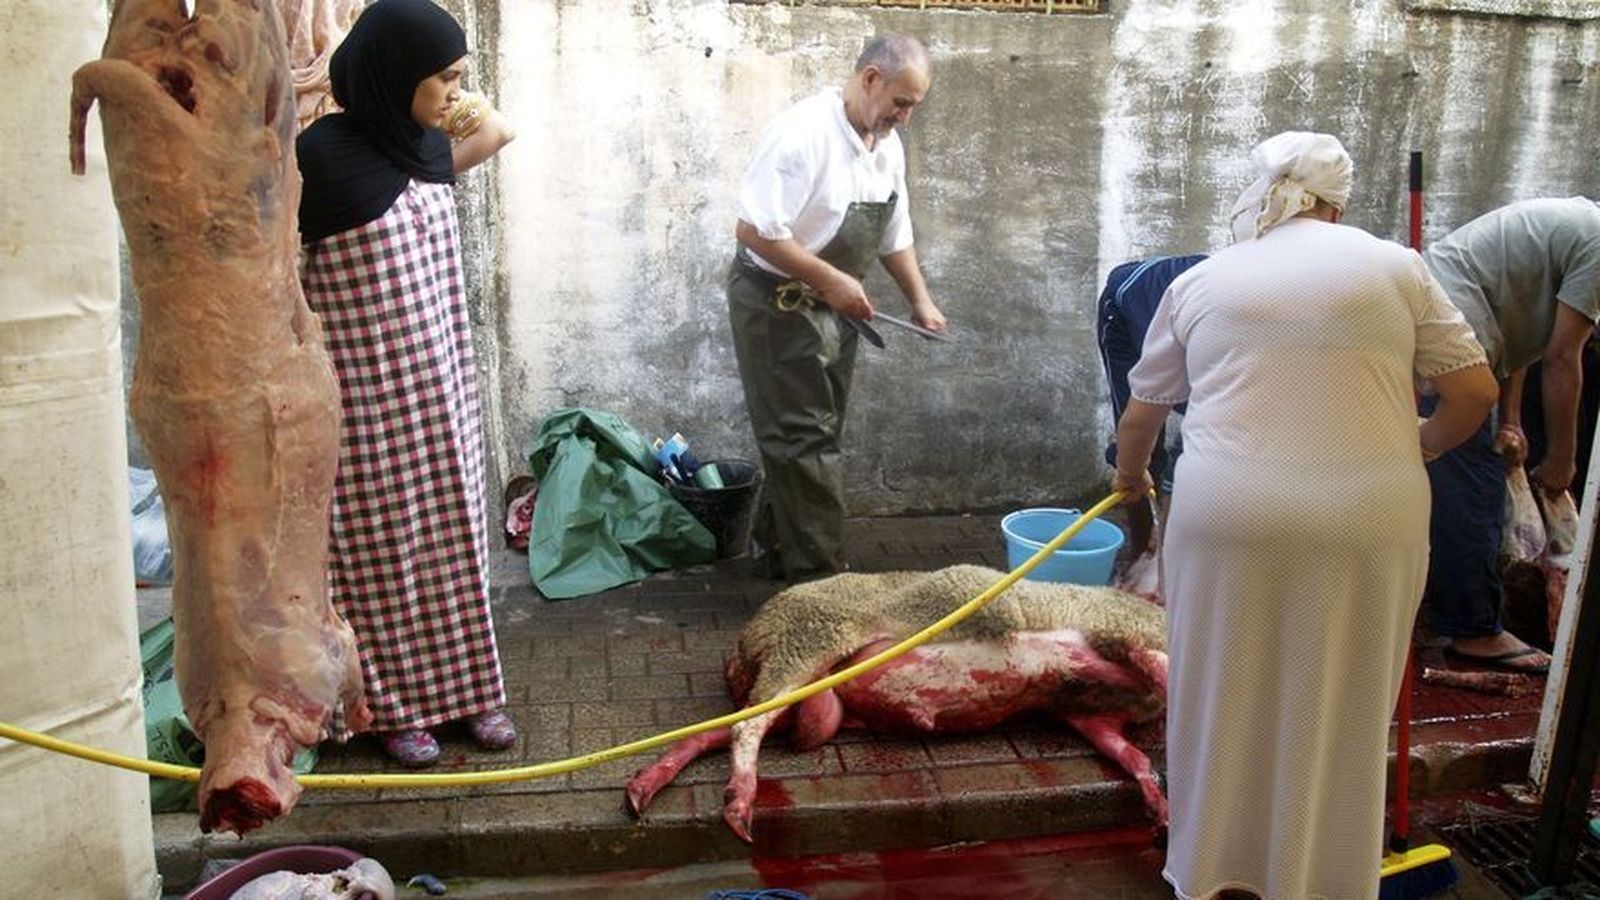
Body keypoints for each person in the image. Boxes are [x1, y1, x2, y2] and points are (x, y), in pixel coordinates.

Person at [1112, 131, 1497, 899]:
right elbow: (1477, 394)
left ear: (1259, 194)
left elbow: (1142, 415)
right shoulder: (1396, 266)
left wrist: (1130, 483)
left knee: (1219, 686)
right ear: (1336, 203)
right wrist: (1414, 446)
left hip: (1230, 515)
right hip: (1369, 514)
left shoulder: (1205, 280)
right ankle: (1320, 874)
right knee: (1345, 694)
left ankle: (1214, 868)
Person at [295, 0, 518, 767]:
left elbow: (498, 131)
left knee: (456, 541)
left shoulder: (421, 143)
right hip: (365, 402)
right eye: (445, 78)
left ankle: (473, 693)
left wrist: (461, 104)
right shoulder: (317, 159)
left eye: (461, 77)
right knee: (384, 552)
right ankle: (390, 709)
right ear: (393, 75)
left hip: (443, 390)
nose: (457, 93)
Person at [727, 34, 948, 582]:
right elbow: (754, 230)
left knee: (816, 433)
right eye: (902, 103)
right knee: (805, 438)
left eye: (914, 106)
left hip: (834, 307)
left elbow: (894, 234)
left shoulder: (885, 144)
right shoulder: (801, 135)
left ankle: (778, 550)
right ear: (871, 78)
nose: (906, 117)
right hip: (776, 303)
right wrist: (831, 280)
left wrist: (920, 300)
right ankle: (820, 578)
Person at [1421, 197, 1600, 672]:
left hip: (1466, 315)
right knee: (1472, 478)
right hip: (1452, 315)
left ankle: (1459, 615)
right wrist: (1563, 457)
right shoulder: (1599, 242)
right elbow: (1563, 357)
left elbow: (1521, 331)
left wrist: (1511, 419)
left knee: (1461, 469)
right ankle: (1474, 630)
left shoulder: (1580, 229)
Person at [1096, 253, 1207, 556]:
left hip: (1184, 314)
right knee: (1138, 449)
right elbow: (1138, 421)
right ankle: (1143, 556)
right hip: (1127, 303)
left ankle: (1170, 558)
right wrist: (1130, 468)